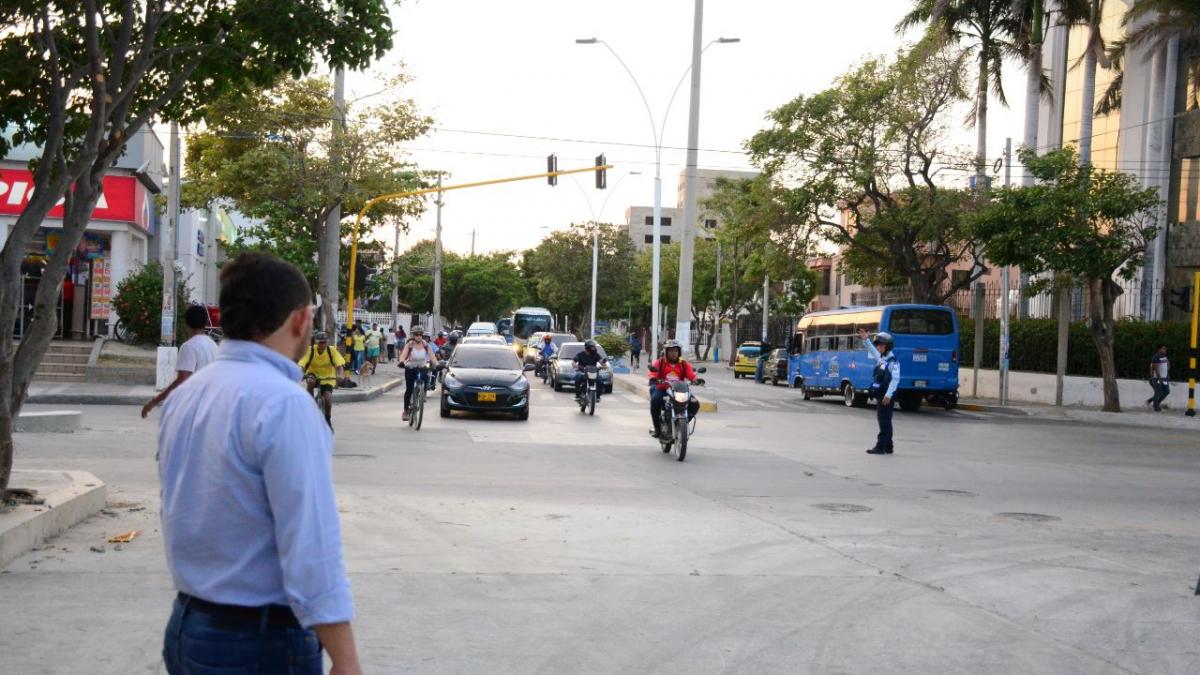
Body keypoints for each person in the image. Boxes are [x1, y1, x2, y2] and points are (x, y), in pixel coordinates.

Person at [157, 252, 362, 675]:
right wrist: (346, 659)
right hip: (258, 643)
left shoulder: (188, 395)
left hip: (188, 626)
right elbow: (311, 546)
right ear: (301, 319)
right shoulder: (283, 403)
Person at [141, 305, 219, 418]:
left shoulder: (189, 347)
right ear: (207, 322)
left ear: (185, 323)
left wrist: (154, 401)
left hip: (195, 407)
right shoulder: (213, 345)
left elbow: (181, 380)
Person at [859, 328, 900, 455]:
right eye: (878, 345)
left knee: (884, 420)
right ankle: (889, 446)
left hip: (887, 395)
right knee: (886, 420)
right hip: (882, 394)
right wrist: (866, 340)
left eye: (881, 345)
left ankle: (880, 447)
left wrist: (888, 395)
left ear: (888, 346)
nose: (879, 347)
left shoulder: (893, 362)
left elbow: (895, 379)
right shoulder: (883, 359)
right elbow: (872, 350)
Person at [647, 340, 699, 437]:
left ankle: (683, 423)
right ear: (666, 352)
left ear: (679, 352)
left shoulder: (683, 363)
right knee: (655, 401)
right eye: (671, 351)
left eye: (675, 351)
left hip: (679, 390)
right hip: (663, 389)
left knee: (695, 403)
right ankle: (657, 429)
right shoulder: (660, 362)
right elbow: (652, 372)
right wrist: (653, 378)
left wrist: (696, 380)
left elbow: (691, 374)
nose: (673, 353)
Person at [299, 331, 345, 428]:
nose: (322, 345)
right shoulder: (310, 350)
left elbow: (339, 364)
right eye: (320, 342)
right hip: (313, 374)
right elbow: (303, 364)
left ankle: (328, 419)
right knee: (310, 381)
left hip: (328, 377)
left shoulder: (331, 350)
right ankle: (311, 403)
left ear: (327, 342)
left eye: (324, 342)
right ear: (316, 342)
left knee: (328, 399)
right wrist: (299, 373)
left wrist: (340, 375)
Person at [398, 325, 439, 421]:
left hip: (421, 366)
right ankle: (406, 410)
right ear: (413, 335)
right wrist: (402, 362)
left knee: (424, 381)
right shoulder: (410, 344)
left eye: (421, 335)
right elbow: (404, 354)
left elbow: (432, 356)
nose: (419, 336)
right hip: (410, 367)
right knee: (409, 389)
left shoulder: (425, 345)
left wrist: (436, 364)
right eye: (416, 334)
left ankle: (420, 395)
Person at [1146, 344, 1170, 412]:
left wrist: (1167, 373)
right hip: (1157, 378)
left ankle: (1155, 402)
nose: (1165, 350)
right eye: (1163, 349)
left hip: (1164, 378)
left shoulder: (1164, 357)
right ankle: (1156, 407)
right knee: (1158, 392)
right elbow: (1154, 368)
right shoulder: (1155, 357)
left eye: (1165, 349)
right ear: (1159, 349)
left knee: (1166, 391)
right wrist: (1158, 378)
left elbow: (1167, 364)